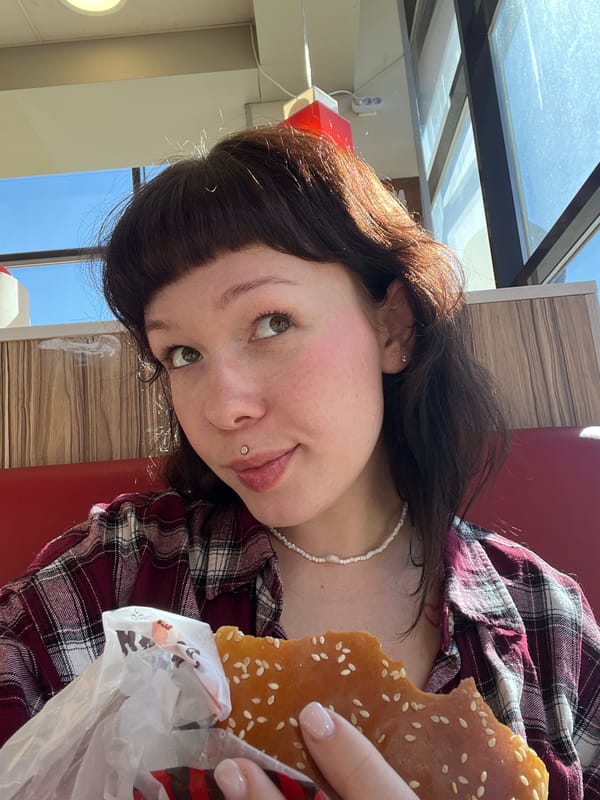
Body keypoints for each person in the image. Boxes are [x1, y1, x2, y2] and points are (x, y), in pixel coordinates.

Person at [0, 126, 598, 798]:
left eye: (272, 321)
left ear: (392, 327)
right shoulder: (129, 573)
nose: (224, 409)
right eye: (183, 355)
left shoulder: (544, 622)